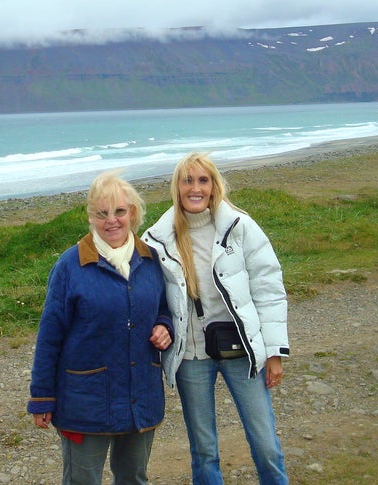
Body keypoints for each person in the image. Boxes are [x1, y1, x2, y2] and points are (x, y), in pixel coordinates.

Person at [142, 153, 290, 484]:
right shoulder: (158, 239)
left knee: (265, 443)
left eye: (203, 180)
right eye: (187, 180)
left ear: (214, 186)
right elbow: (149, 299)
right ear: (177, 188)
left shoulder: (240, 227)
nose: (195, 188)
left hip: (243, 351)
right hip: (191, 358)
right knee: (204, 452)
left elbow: (269, 287)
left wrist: (275, 351)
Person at [28, 169, 173, 485]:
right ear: (90, 217)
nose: (112, 221)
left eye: (120, 211)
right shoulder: (70, 266)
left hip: (141, 396)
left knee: (134, 478)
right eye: (102, 213)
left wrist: (164, 326)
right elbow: (50, 335)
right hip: (85, 402)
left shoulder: (151, 260)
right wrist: (41, 397)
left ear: (132, 214)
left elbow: (164, 309)